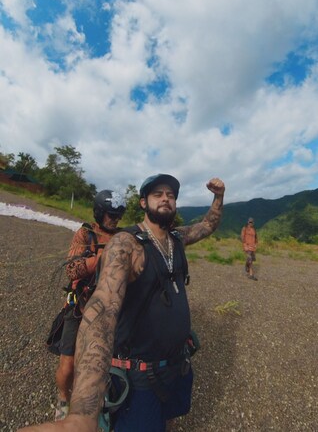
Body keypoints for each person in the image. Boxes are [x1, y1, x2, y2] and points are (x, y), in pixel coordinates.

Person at [18, 173, 225, 432]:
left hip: (177, 366)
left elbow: (208, 225)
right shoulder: (126, 243)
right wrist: (83, 413)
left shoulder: (177, 239)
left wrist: (219, 196)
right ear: (142, 203)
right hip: (141, 378)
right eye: (157, 194)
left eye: (171, 195)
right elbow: (102, 310)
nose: (165, 199)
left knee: (167, 420)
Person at [54, 190, 126, 421]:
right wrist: (101, 258)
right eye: (110, 215)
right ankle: (63, 398)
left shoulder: (123, 236)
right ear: (99, 212)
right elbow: (71, 269)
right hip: (80, 305)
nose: (115, 219)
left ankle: (101, 399)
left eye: (118, 215)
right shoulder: (85, 233)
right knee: (69, 359)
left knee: (106, 359)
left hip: (109, 308)